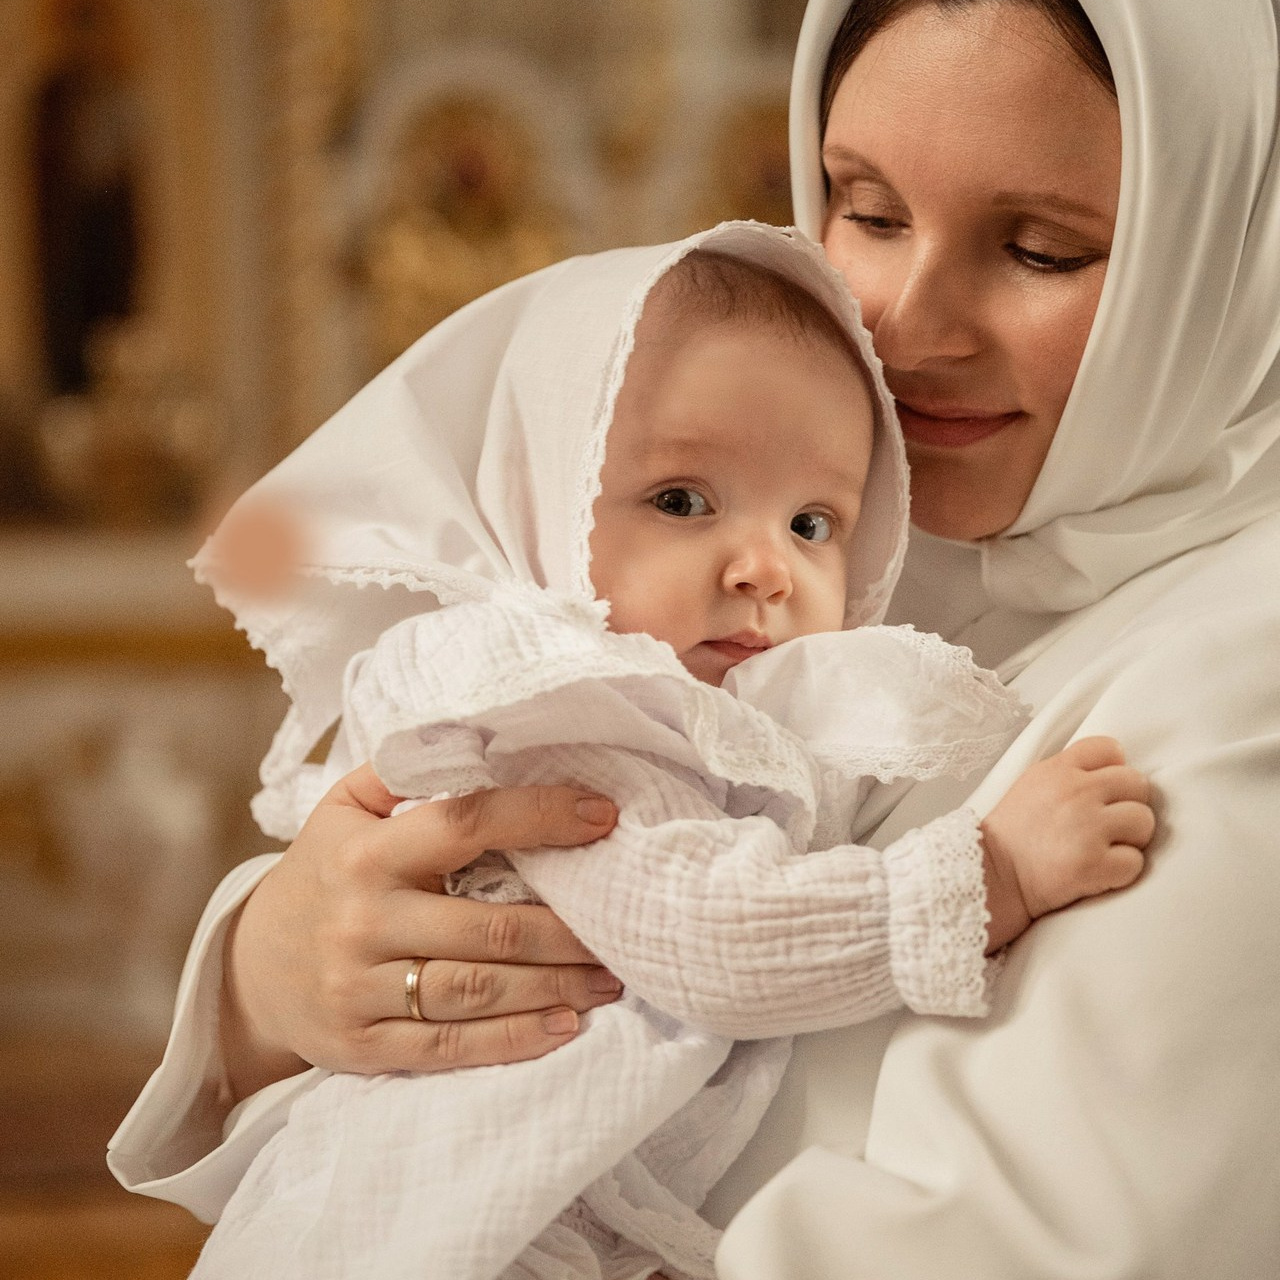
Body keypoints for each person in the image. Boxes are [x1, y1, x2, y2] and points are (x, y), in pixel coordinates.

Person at [111, 0, 1280, 1274]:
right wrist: (266, 978)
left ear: (1220, 246)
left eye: (1042, 248)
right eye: (868, 211)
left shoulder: (1244, 665)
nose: (899, 323)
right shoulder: (840, 552)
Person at [183, 226, 1146, 1280]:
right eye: (682, 500)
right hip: (465, 1224)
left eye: (814, 522)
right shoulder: (569, 714)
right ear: (533, 502)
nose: (765, 568)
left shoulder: (739, 714)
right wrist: (985, 875)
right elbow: (713, 936)